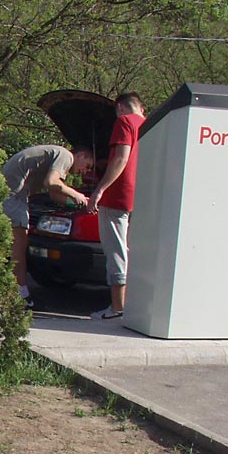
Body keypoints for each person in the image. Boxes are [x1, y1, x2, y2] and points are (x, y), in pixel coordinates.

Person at [1, 145, 94, 308]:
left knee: (15, 245)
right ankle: (20, 297)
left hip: (13, 193)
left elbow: (55, 195)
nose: (84, 172)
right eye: (87, 166)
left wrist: (83, 204)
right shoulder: (66, 156)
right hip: (13, 195)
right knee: (19, 247)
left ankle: (14, 293)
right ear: (81, 155)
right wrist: (77, 194)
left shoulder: (58, 159)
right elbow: (51, 182)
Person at [87, 92, 146, 320]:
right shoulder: (151, 124)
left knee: (116, 251)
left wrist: (100, 189)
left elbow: (121, 158)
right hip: (141, 196)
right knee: (133, 251)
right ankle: (132, 306)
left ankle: (117, 307)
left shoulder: (124, 122)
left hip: (118, 195)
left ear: (120, 107)